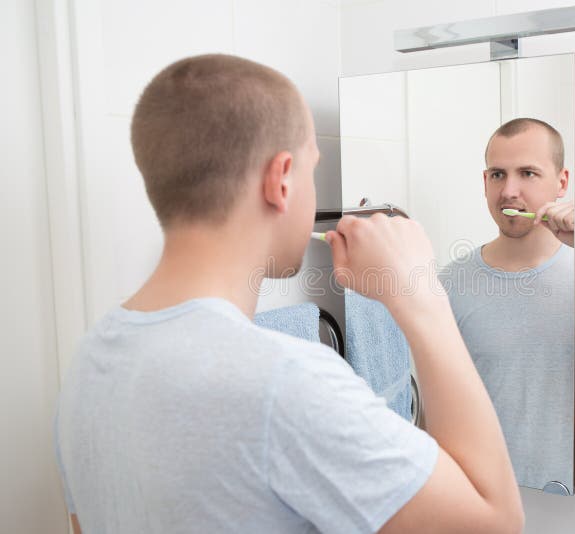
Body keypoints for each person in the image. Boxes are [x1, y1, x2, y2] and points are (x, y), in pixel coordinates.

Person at [53, 54, 524, 533]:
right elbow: (498, 522)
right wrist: (420, 296)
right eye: (311, 170)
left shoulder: (89, 365)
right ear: (281, 179)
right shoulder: (289, 381)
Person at [439, 118, 575, 490]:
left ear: (562, 182)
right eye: (498, 174)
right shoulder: (449, 283)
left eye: (528, 173)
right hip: (478, 498)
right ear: (485, 181)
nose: (509, 191)